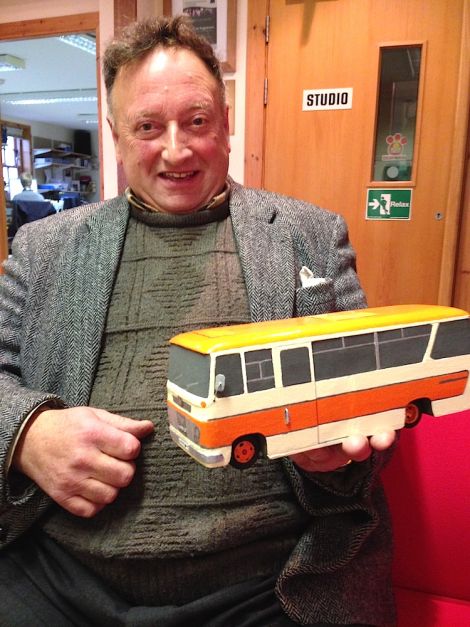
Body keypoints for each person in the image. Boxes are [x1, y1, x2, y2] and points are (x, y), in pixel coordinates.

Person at [0, 16, 396, 627]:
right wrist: (25, 436)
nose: (177, 150)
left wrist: (341, 452)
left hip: (267, 582)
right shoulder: (43, 247)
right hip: (60, 577)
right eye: (148, 127)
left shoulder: (308, 235)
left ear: (227, 125)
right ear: (116, 136)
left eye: (198, 121)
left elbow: (364, 402)